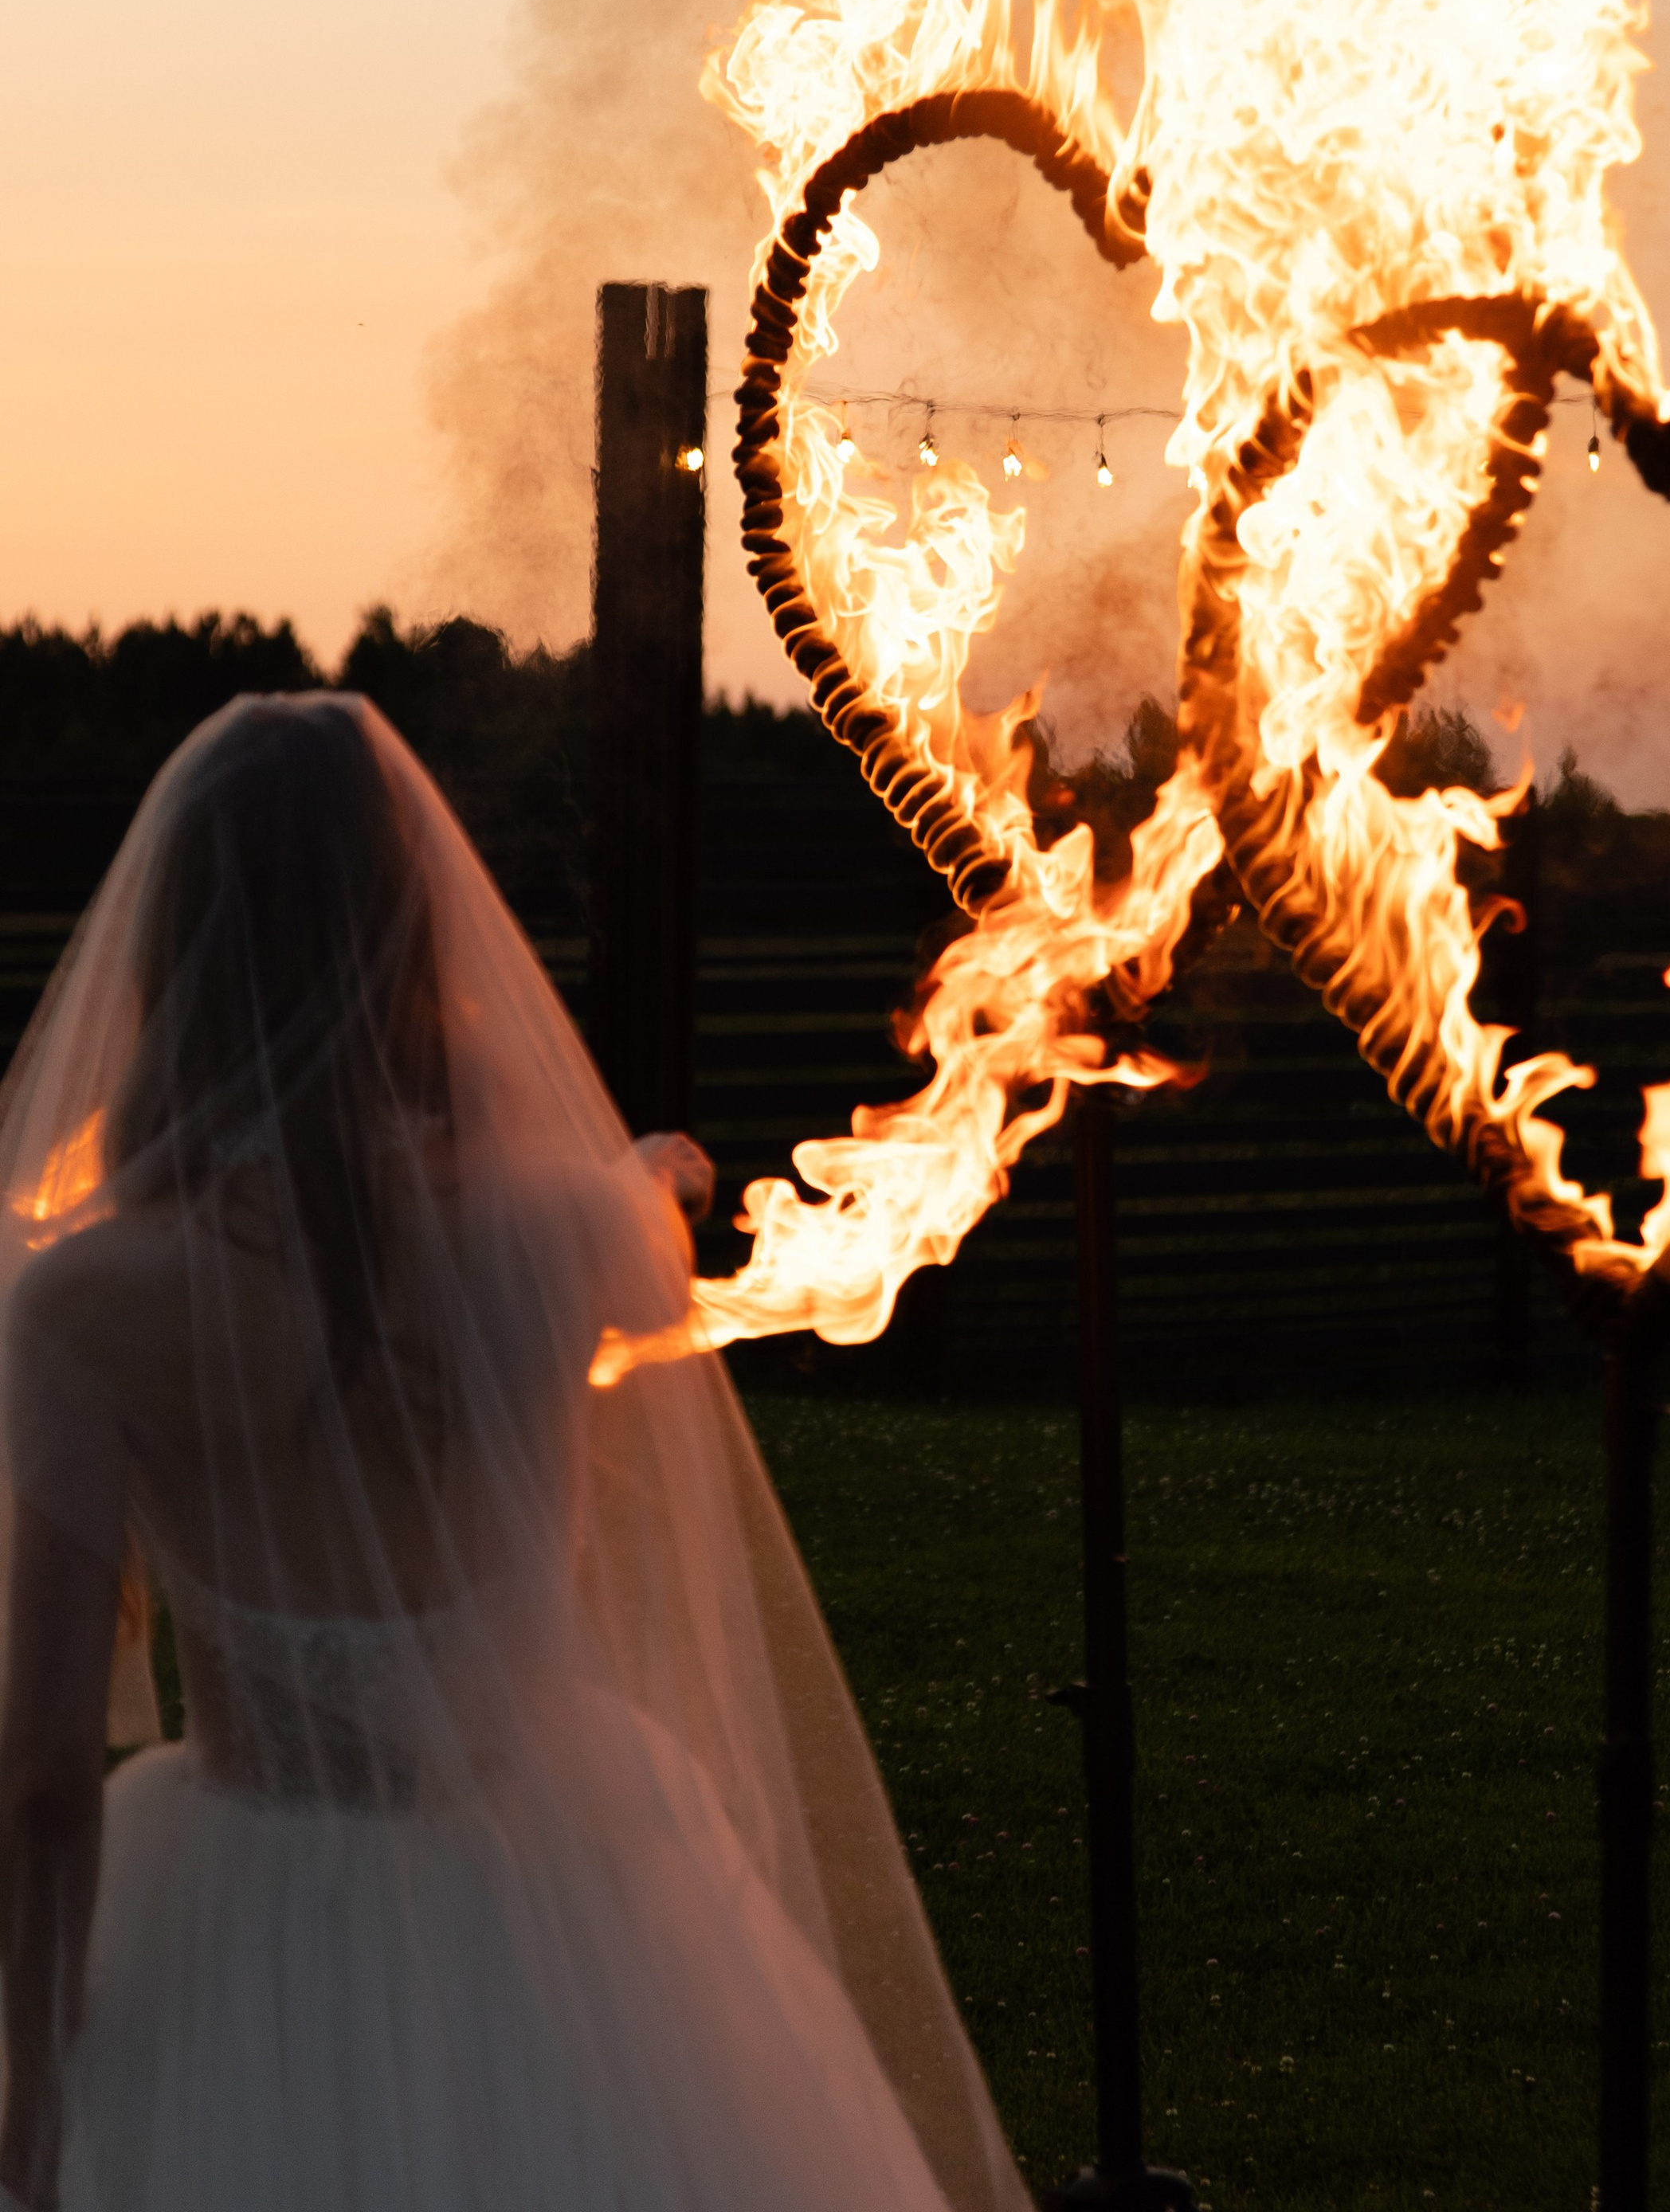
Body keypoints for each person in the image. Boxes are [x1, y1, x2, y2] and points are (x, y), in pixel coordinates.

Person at [0, 695, 1027, 2212]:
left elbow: (39, 1774)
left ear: (175, 948)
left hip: (244, 1916)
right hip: (567, 1900)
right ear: (418, 931)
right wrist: (641, 1189)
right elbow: (643, 1273)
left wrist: (30, 2079)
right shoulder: (570, 1232)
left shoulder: (89, 1303)